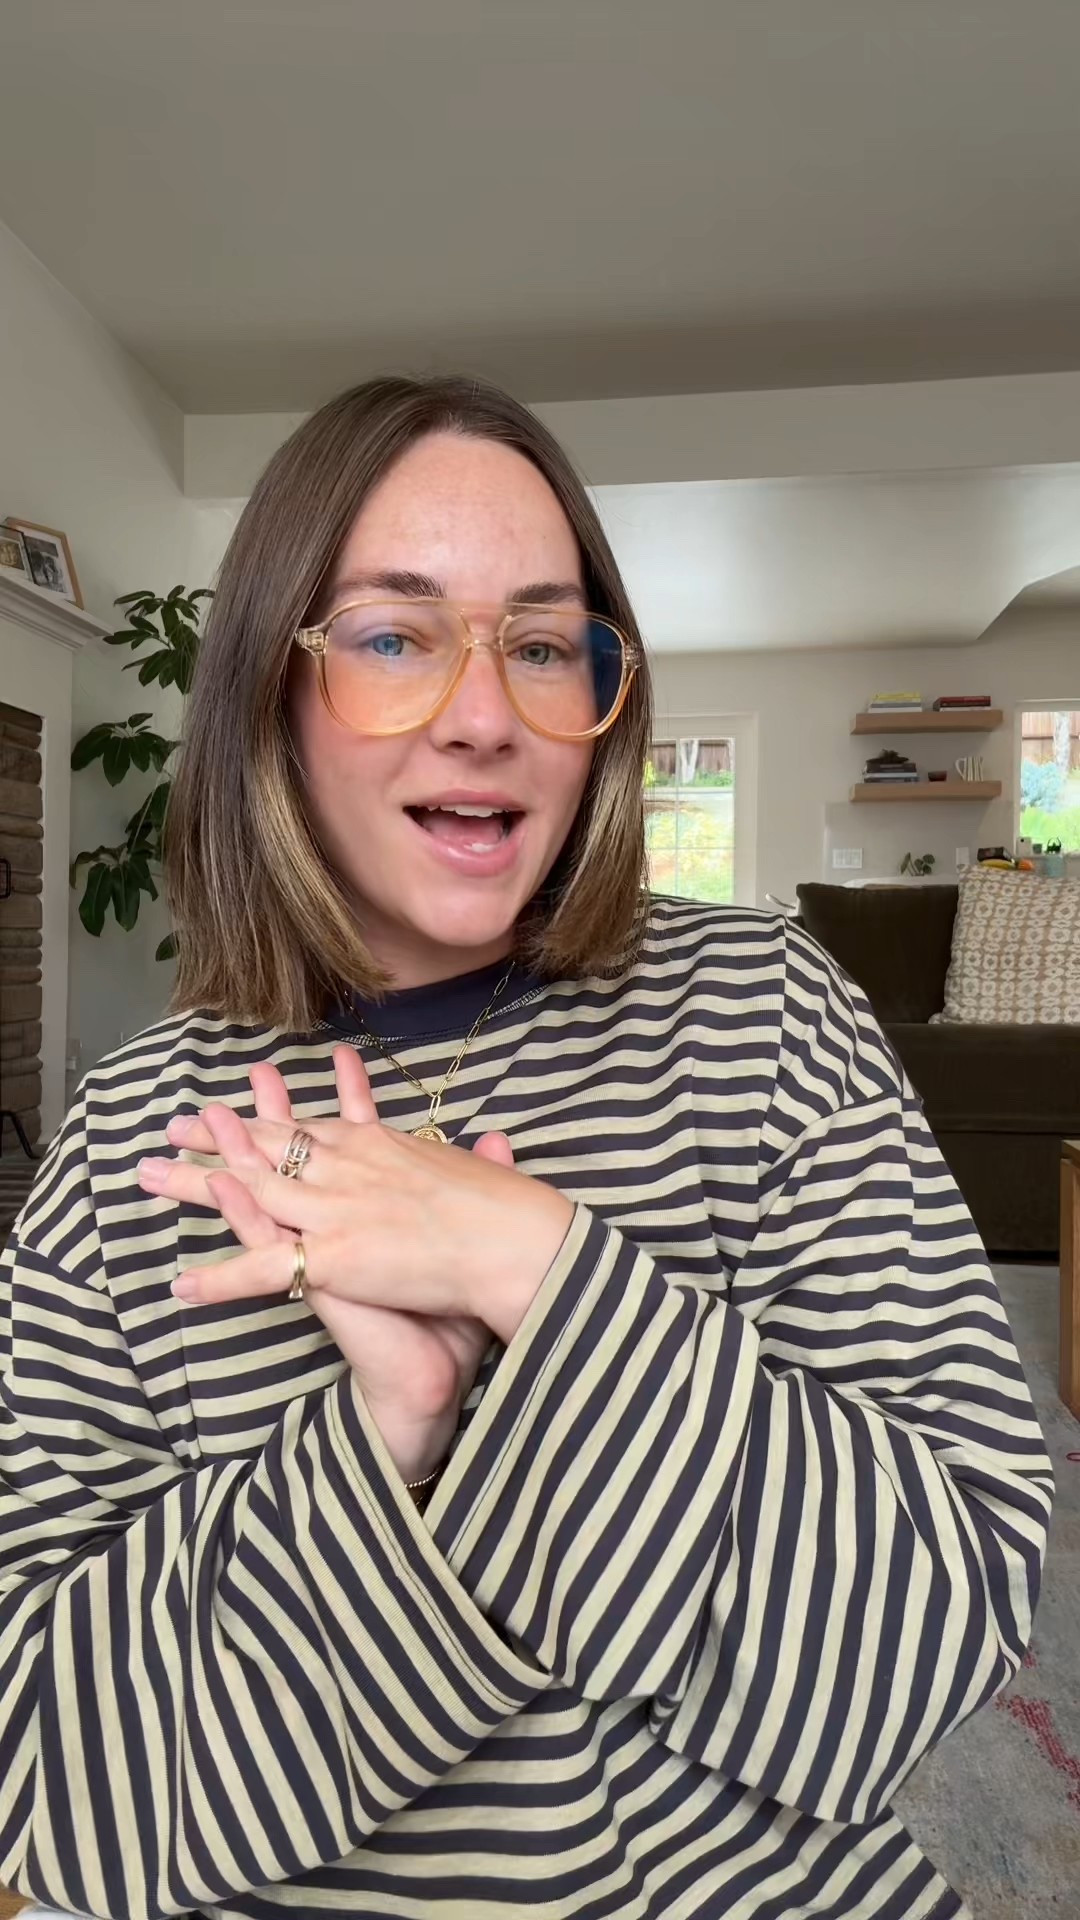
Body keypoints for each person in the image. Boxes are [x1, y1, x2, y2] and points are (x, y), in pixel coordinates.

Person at [0, 375, 1052, 1920]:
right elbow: (48, 1783)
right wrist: (388, 1434)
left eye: (545, 645)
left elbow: (935, 1635)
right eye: (394, 636)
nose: (486, 716)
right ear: (270, 690)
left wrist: (539, 1267)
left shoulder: (766, 1010)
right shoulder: (127, 1142)